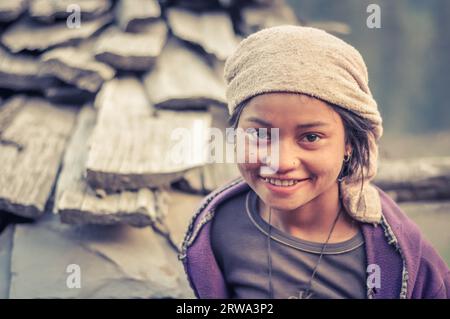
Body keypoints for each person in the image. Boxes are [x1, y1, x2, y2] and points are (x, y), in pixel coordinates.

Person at [179, 25, 450, 299]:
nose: (281, 162)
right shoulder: (218, 229)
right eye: (260, 134)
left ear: (349, 143)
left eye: (310, 137)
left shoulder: (400, 257)